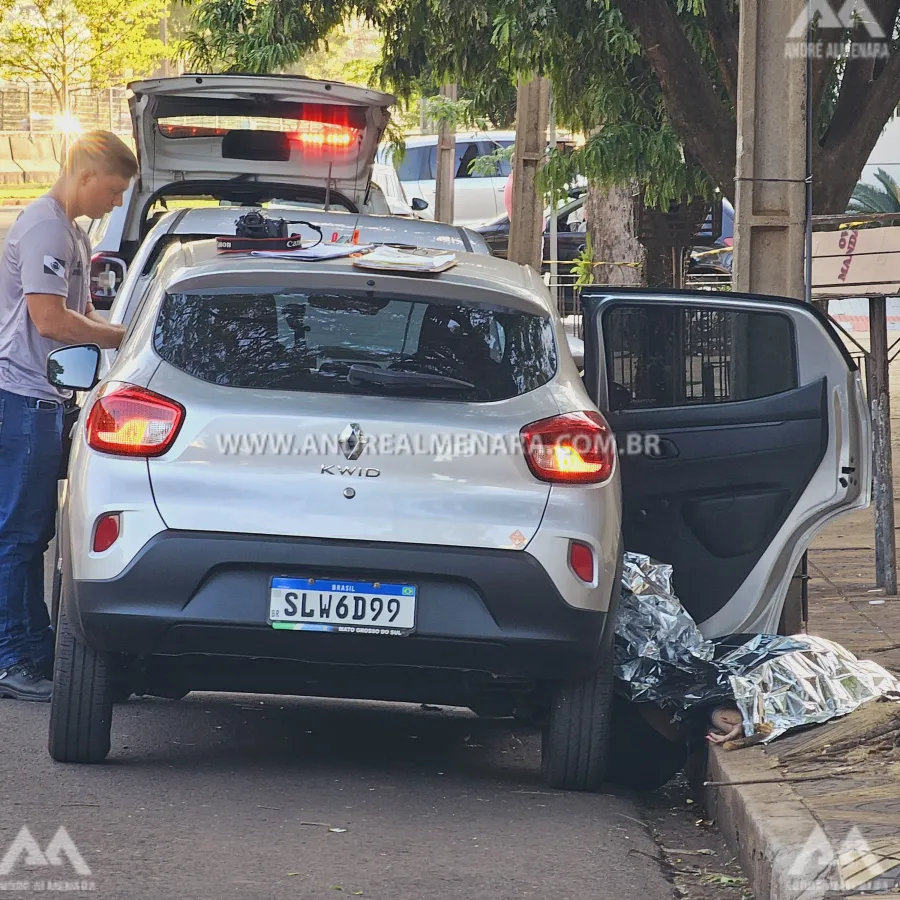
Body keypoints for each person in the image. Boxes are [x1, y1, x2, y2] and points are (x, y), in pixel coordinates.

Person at [0, 130, 135, 701]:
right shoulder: (45, 226)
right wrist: (123, 337)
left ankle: (33, 651)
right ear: (85, 174)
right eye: (112, 188)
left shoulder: (73, 233)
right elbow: (50, 320)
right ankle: (13, 658)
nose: (114, 200)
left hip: (47, 397)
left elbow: (72, 314)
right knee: (19, 535)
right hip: (24, 396)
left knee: (34, 534)